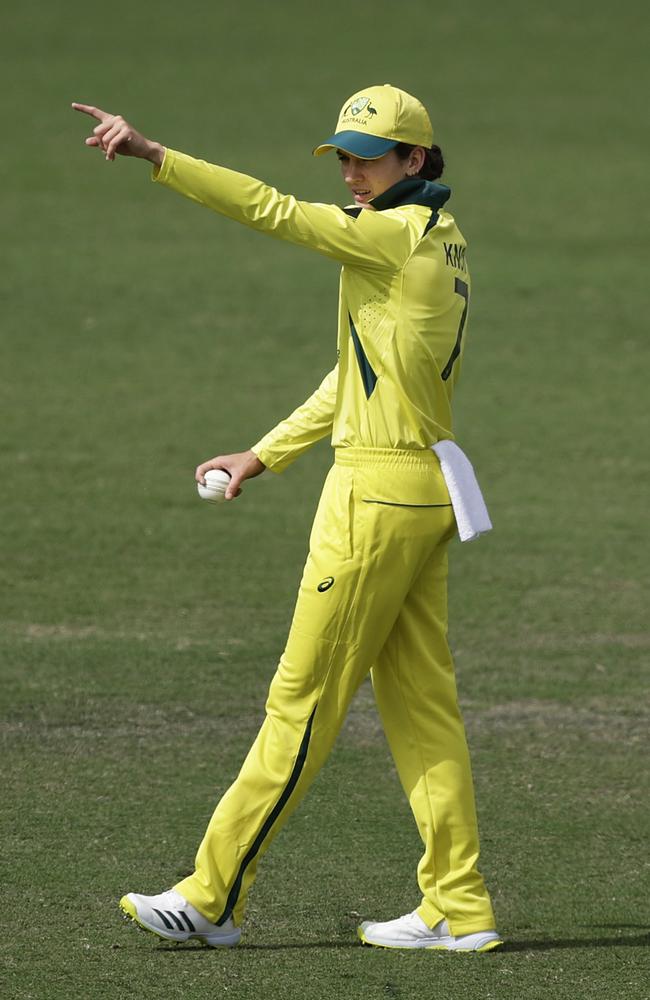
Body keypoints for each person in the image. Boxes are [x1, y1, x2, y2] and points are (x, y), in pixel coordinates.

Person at [73, 84, 502, 952]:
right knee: (424, 711)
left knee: (300, 704)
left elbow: (272, 211)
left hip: (374, 504)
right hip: (420, 494)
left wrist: (156, 156)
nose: (351, 172)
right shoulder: (443, 242)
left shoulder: (387, 235)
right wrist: (263, 453)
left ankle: (209, 895)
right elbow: (359, 377)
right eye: (343, 156)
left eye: (368, 158)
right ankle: (459, 906)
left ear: (415, 160)